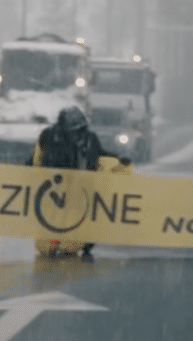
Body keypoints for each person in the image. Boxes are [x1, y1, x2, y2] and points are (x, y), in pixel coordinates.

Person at [30, 106, 129, 258]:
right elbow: (35, 161)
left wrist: (119, 163)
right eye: (73, 130)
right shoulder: (48, 137)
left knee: (70, 247)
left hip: (79, 197)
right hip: (52, 196)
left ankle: (82, 244)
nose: (77, 134)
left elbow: (100, 157)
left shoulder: (90, 139)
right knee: (46, 247)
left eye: (80, 129)